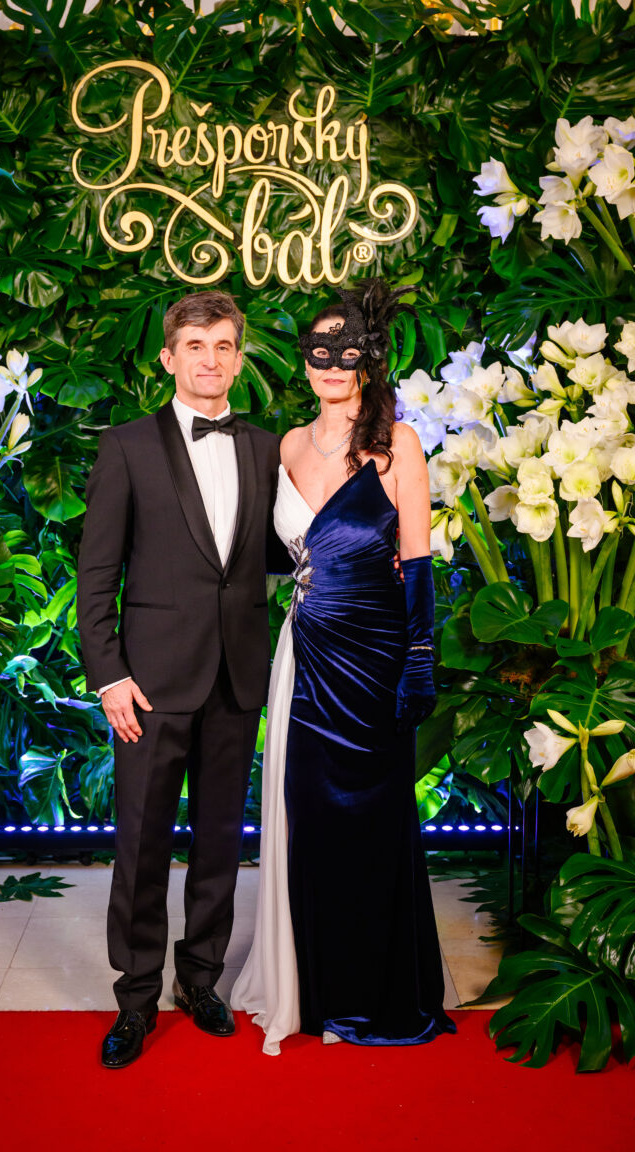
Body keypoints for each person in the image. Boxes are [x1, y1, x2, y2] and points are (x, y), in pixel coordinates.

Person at [232, 281, 457, 1054]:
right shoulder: (288, 446)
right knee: (311, 822)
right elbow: (273, 555)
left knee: (374, 824)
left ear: (368, 359)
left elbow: (418, 564)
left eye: (346, 349)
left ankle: (374, 994)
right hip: (307, 657)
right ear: (304, 362)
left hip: (377, 659)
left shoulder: (400, 444)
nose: (332, 363)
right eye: (319, 350)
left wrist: (419, 661)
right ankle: (316, 992)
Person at [77, 290, 285, 1069]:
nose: (210, 358)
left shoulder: (267, 448)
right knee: (140, 845)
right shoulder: (127, 446)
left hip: (237, 675)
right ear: (168, 357)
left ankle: (200, 980)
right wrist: (110, 677)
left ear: (239, 358)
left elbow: (284, 553)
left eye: (224, 345)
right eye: (195, 345)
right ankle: (136, 999)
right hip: (150, 685)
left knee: (221, 842)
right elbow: (96, 574)